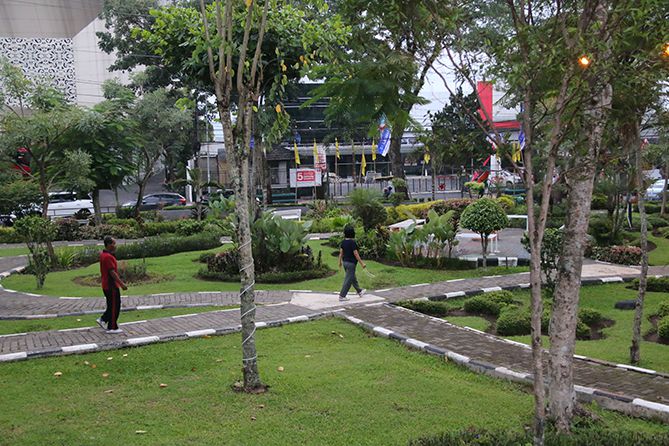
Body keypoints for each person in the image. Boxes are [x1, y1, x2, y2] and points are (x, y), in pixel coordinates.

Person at [96, 236, 127, 333]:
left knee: (111, 305)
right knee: (115, 306)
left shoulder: (104, 255)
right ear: (109, 245)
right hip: (111, 286)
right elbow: (112, 272)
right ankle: (112, 327)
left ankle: (103, 319)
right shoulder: (108, 257)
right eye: (113, 243)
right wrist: (121, 284)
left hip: (106, 285)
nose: (115, 246)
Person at [338, 225, 366, 302]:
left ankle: (359, 291)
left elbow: (341, 253)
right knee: (348, 280)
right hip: (351, 264)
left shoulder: (343, 242)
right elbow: (356, 254)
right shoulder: (352, 243)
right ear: (352, 233)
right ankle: (342, 296)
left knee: (352, 278)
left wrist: (339, 262)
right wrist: (362, 263)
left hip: (345, 263)